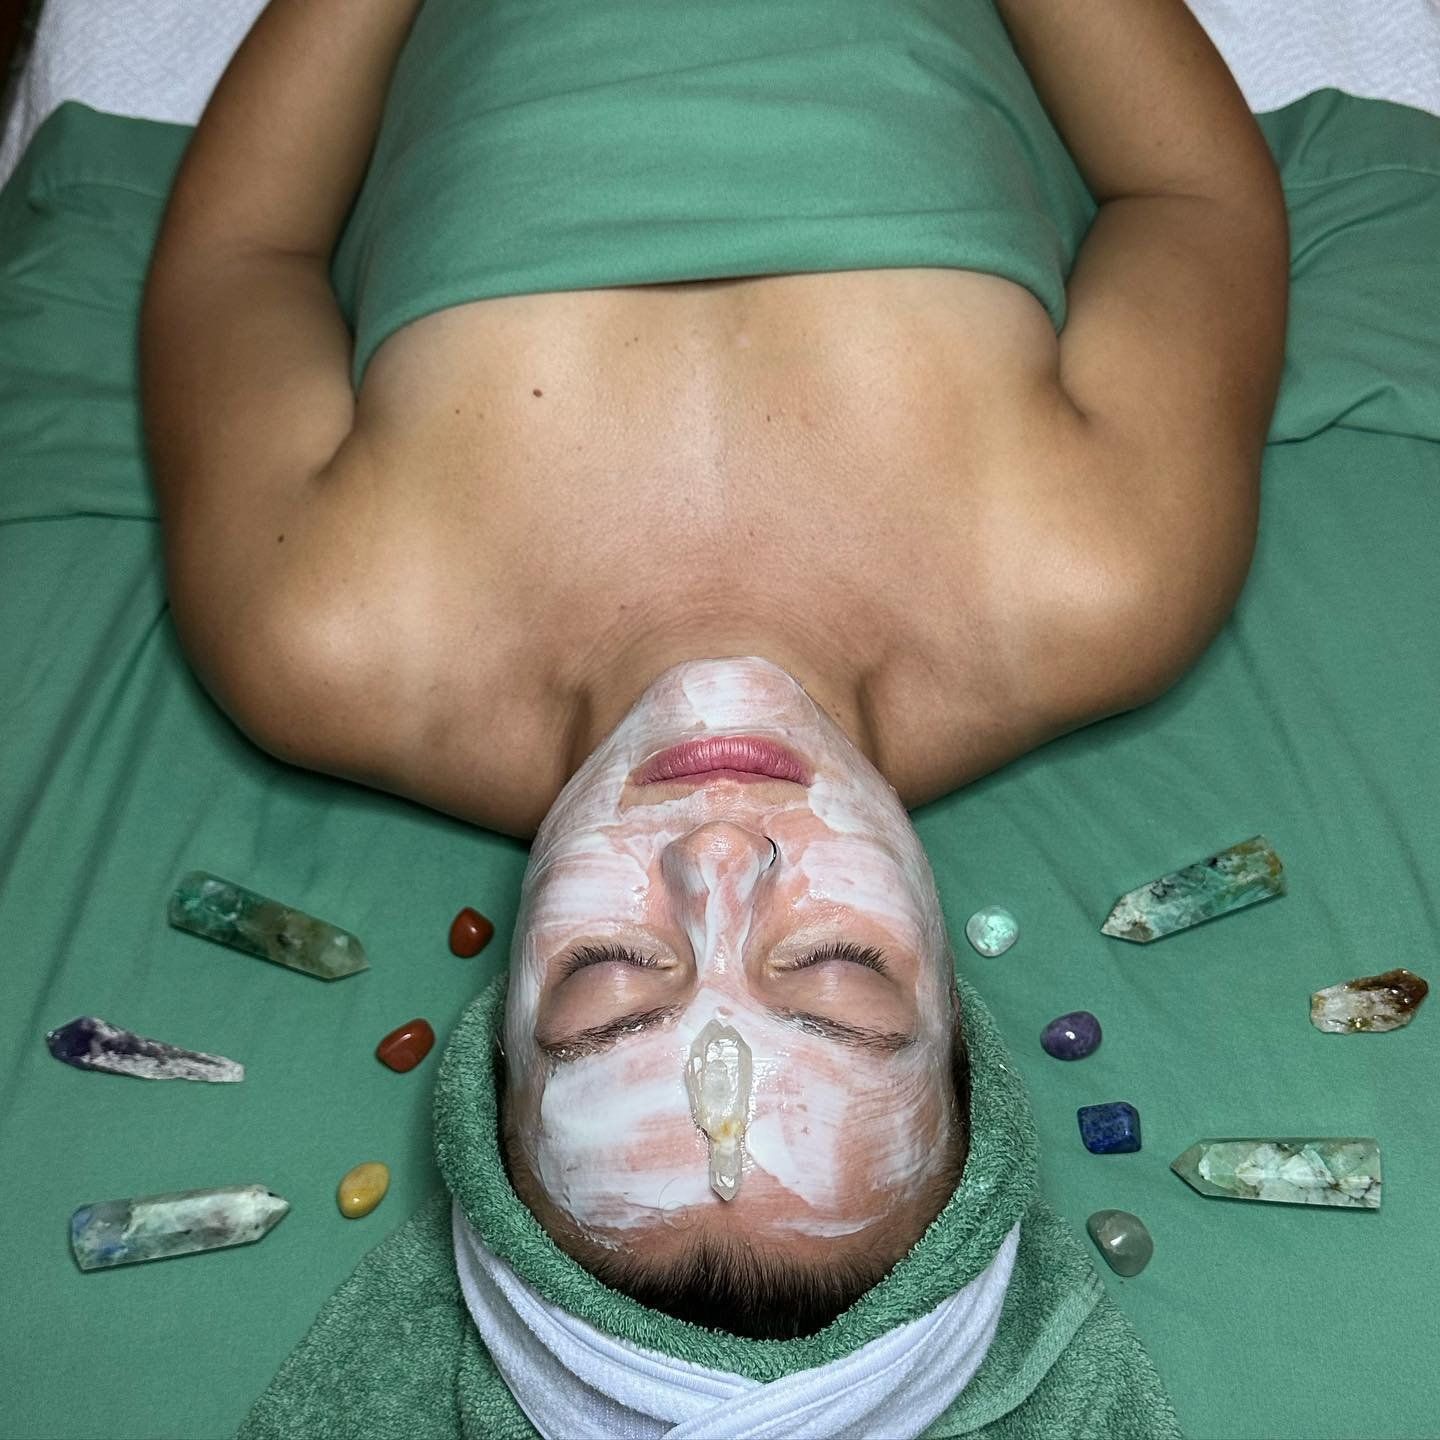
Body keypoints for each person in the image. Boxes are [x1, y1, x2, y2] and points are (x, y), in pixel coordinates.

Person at [141, 0, 1288, 1432]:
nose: (719, 858)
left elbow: (243, 256)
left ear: (493, 1039)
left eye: (610, 975)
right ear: (956, 1002)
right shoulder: (1096, 579)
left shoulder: (330, 637)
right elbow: (1187, 197)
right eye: (839, 970)